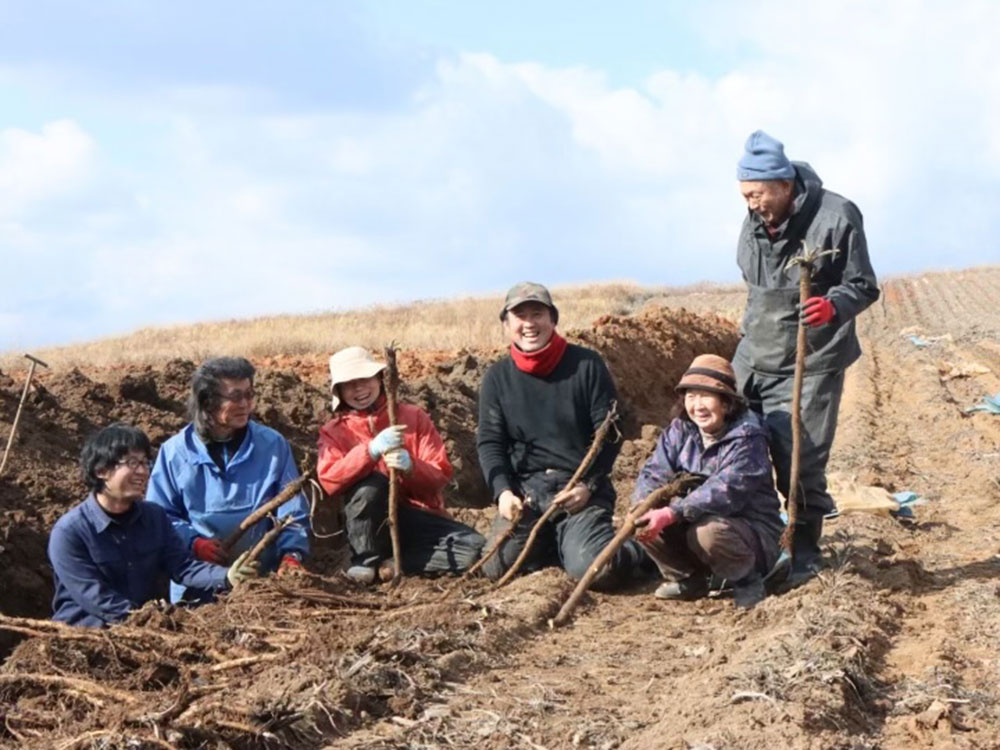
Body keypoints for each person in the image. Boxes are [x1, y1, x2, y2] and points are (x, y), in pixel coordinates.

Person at [734, 130, 879, 585]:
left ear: (784, 184)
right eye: (745, 195)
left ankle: (804, 549)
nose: (751, 204)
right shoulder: (755, 217)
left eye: (757, 194)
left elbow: (863, 285)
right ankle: (751, 542)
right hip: (755, 351)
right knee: (734, 444)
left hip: (810, 358)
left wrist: (833, 305)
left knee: (800, 456)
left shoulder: (837, 216)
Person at [477, 282, 644, 588]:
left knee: (594, 570)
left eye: (537, 314)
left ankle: (637, 550)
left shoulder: (587, 365)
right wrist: (503, 493)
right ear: (506, 325)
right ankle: (555, 542)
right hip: (527, 493)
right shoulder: (497, 378)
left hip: (577, 488)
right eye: (520, 316)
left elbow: (610, 433)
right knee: (495, 567)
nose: (529, 324)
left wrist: (588, 485)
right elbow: (490, 443)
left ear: (553, 319)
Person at [48, 423, 258, 627]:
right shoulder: (70, 532)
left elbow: (183, 567)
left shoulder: (154, 518)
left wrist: (226, 576)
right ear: (101, 470)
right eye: (132, 463)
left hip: (147, 631)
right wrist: (147, 620)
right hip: (86, 634)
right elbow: (95, 597)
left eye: (145, 463)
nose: (142, 471)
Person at [147, 357, 309, 603]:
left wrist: (291, 554)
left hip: (263, 586)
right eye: (235, 396)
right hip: (198, 586)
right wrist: (195, 543)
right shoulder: (175, 453)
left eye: (249, 395)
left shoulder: (272, 445)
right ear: (207, 401)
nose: (245, 404)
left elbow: (292, 508)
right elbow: (160, 517)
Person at [317, 346, 485, 583]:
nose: (359, 389)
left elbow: (439, 475)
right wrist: (369, 451)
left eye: (364, 379)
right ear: (339, 392)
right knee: (372, 486)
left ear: (379, 379)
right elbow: (330, 479)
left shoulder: (413, 417)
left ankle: (396, 563)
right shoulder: (334, 432)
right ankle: (365, 560)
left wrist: (411, 467)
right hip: (369, 526)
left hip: (418, 517)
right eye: (349, 384)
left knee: (475, 550)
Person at [633, 355, 783, 609]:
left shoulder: (748, 437)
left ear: (726, 403)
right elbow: (654, 472)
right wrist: (642, 504)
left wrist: (672, 513)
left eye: (706, 396)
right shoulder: (680, 430)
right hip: (693, 521)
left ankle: (747, 581)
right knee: (643, 522)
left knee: (707, 531)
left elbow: (726, 490)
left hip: (750, 532)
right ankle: (688, 578)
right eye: (691, 396)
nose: (698, 406)